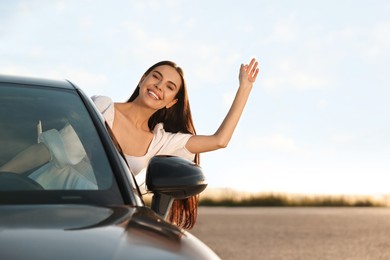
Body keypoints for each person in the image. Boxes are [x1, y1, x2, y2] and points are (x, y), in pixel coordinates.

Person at [92, 58, 259, 229]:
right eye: (156, 77)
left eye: (169, 87)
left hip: (117, 220)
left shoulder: (161, 141)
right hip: (71, 205)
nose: (159, 85)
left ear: (172, 102)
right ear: (142, 79)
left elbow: (219, 141)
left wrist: (245, 87)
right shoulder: (102, 107)